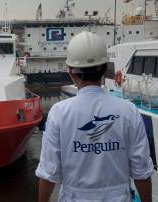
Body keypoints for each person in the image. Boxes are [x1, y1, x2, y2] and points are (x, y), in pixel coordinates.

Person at [36, 31, 153, 202]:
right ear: (105, 68)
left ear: (70, 71)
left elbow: (48, 173)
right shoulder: (129, 110)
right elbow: (141, 172)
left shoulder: (59, 113)